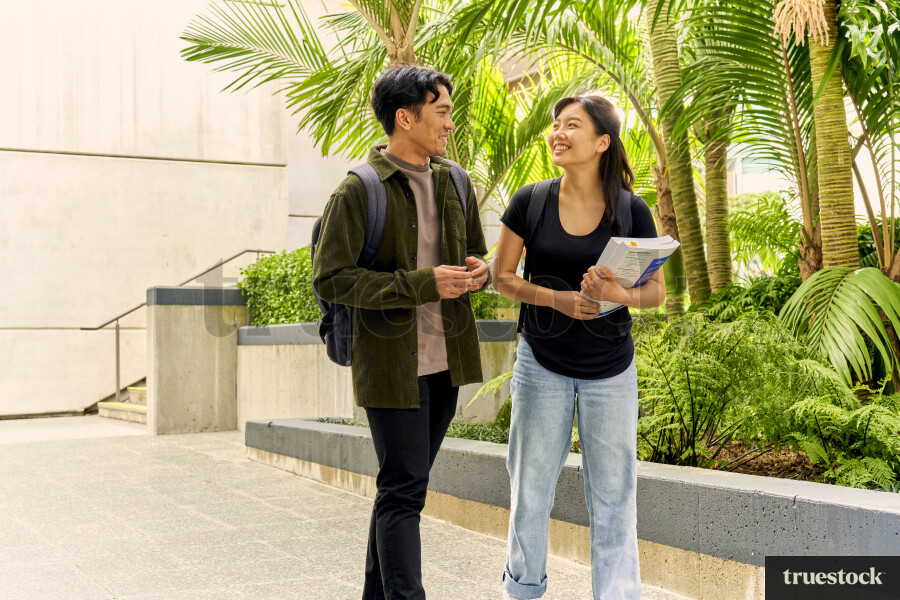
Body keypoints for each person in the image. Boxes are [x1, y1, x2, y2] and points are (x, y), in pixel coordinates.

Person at [312, 65, 490, 600]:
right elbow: (331, 277)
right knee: (405, 490)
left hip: (447, 362)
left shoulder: (456, 180)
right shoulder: (358, 190)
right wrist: (420, 283)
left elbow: (473, 253)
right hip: (391, 366)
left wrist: (476, 272)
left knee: (401, 488)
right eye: (441, 113)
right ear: (405, 117)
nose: (449, 125)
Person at [492, 94, 666, 600]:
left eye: (573, 125)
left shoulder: (632, 211)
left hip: (611, 370)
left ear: (602, 142)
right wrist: (559, 300)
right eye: (556, 125)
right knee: (529, 490)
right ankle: (522, 589)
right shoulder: (530, 201)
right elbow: (503, 278)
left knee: (614, 497)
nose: (558, 134)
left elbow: (656, 294)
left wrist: (616, 294)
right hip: (541, 364)